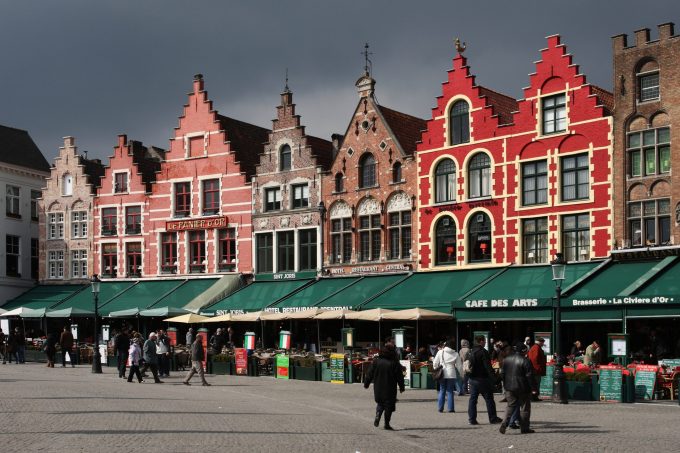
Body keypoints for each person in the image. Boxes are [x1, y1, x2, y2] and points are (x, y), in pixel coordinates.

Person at [363, 343, 404, 430]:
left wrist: (366, 383)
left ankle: (378, 414)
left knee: (380, 403)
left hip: (378, 387)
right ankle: (387, 424)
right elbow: (399, 377)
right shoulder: (394, 363)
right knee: (389, 406)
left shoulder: (376, 361)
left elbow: (369, 374)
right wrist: (401, 387)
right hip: (390, 388)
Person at [499, 342, 537, 435]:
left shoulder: (506, 359)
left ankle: (504, 423)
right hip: (523, 387)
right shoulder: (525, 360)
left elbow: (502, 374)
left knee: (510, 406)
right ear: (524, 351)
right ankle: (524, 428)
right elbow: (529, 376)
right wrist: (534, 388)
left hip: (509, 387)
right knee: (525, 408)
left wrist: (505, 384)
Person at [466, 335, 502, 426]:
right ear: (481, 341)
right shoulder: (483, 352)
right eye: (484, 341)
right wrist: (495, 379)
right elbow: (488, 367)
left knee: (473, 400)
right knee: (489, 399)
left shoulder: (471, 351)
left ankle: (472, 419)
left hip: (472, 378)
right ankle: (493, 418)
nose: (485, 342)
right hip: (482, 379)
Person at [433, 338, 462, 413]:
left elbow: (435, 363)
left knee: (442, 390)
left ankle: (440, 408)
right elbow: (459, 366)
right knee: (450, 391)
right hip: (451, 373)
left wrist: (436, 369)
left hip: (442, 373)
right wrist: (462, 375)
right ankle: (450, 408)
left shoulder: (440, 352)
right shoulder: (455, 354)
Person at [527, 337, 546, 402]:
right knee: (536, 383)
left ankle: (534, 397)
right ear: (540, 342)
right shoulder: (536, 348)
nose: (543, 344)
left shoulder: (534, 347)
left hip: (534, 369)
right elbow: (534, 359)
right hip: (536, 370)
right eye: (543, 342)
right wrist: (538, 368)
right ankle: (534, 397)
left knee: (534, 383)